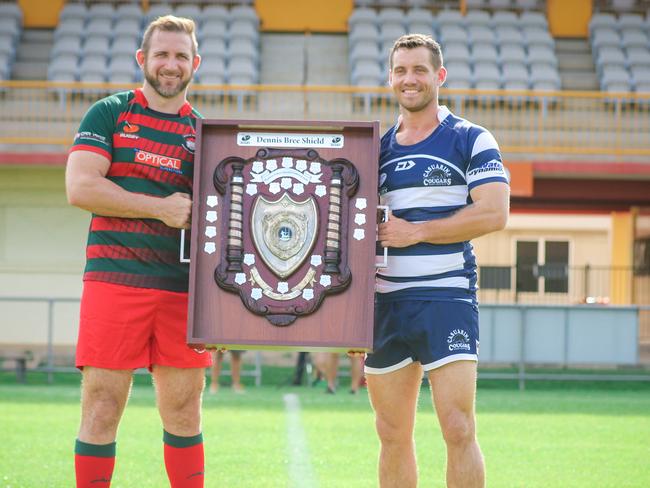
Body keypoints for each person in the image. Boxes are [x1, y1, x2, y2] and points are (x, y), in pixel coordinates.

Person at [65, 16, 210, 488]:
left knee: (185, 410)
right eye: (162, 55)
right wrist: (160, 209)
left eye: (181, 56)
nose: (171, 65)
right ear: (142, 59)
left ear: (195, 64)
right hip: (113, 283)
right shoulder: (109, 113)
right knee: (103, 404)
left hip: (180, 290)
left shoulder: (206, 134)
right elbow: (81, 187)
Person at [366, 34, 510, 488]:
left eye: (420, 70)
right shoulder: (376, 148)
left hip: (446, 297)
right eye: (401, 71)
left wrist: (417, 232)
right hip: (384, 303)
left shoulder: (469, 137)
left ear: (439, 76)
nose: (410, 79)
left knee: (458, 427)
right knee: (391, 433)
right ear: (391, 78)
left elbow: (494, 211)